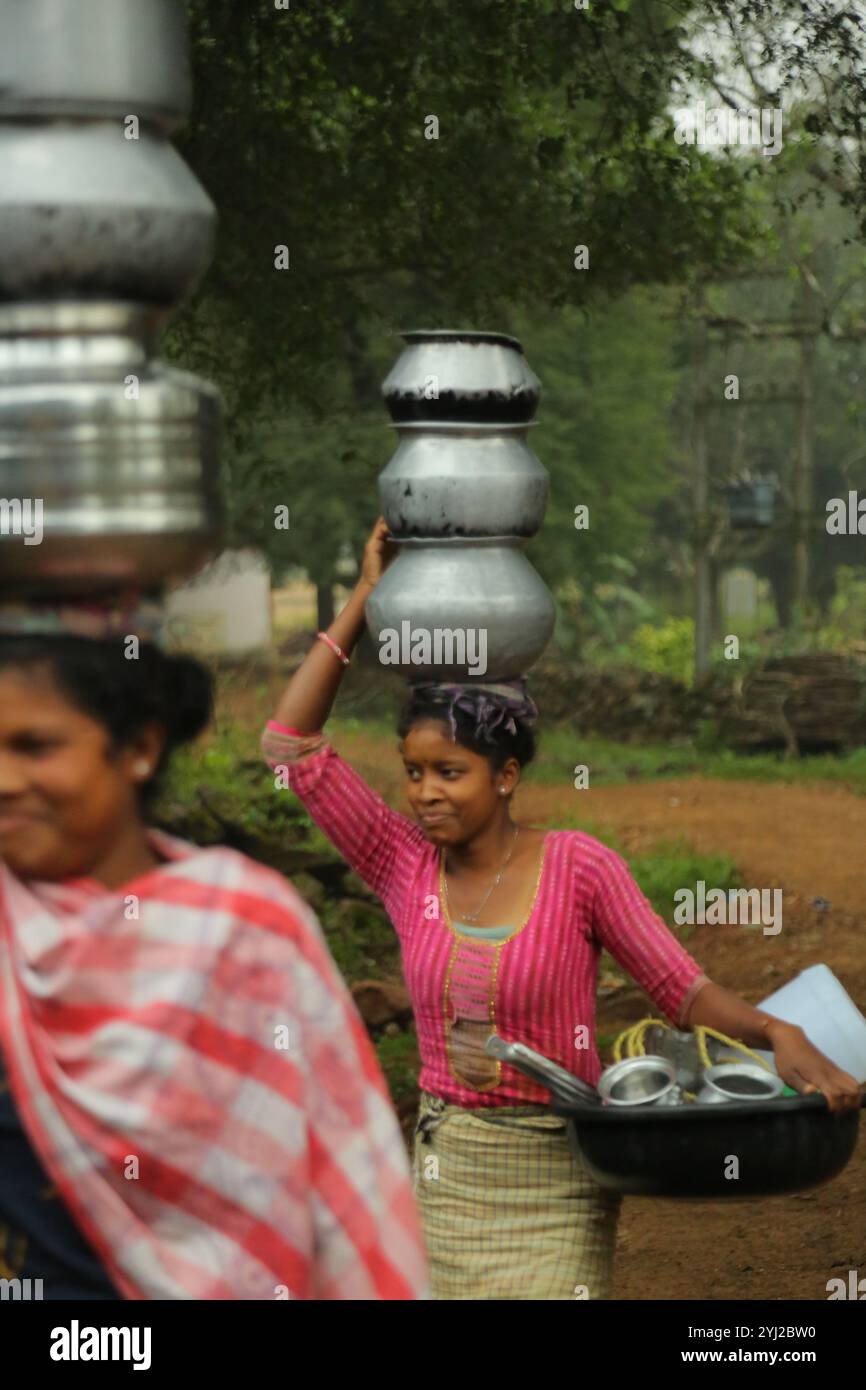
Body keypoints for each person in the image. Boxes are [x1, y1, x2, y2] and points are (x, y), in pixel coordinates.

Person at [262, 516, 862, 1302]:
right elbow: (288, 744)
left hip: (561, 1174)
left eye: (450, 771)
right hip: (449, 1175)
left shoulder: (580, 868)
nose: (425, 794)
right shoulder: (402, 860)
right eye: (413, 773)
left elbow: (682, 995)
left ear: (506, 776)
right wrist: (368, 598)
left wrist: (778, 1031)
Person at [0, 596, 427, 1301]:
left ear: (139, 745)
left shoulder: (240, 931)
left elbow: (344, 1178)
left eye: (35, 748)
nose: (5, 781)